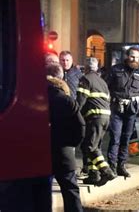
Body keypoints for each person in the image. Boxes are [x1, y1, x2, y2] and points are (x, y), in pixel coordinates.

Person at [46, 63, 85, 212]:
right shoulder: (66, 99)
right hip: (64, 153)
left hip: (41, 152)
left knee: (42, 192)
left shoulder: (36, 97)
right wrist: (71, 144)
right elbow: (80, 126)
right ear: (61, 77)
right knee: (70, 191)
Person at [107, 47, 139, 177]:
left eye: (136, 57)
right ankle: (112, 167)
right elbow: (106, 87)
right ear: (127, 56)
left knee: (126, 139)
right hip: (116, 109)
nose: (134, 59)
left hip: (131, 111)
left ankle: (121, 166)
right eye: (131, 56)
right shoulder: (116, 70)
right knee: (115, 138)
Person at [76, 58, 116, 186]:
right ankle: (94, 174)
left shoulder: (85, 79)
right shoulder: (102, 82)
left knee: (90, 147)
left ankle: (106, 171)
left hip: (95, 117)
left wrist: (74, 115)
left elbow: (80, 101)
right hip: (105, 118)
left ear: (86, 68)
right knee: (95, 146)